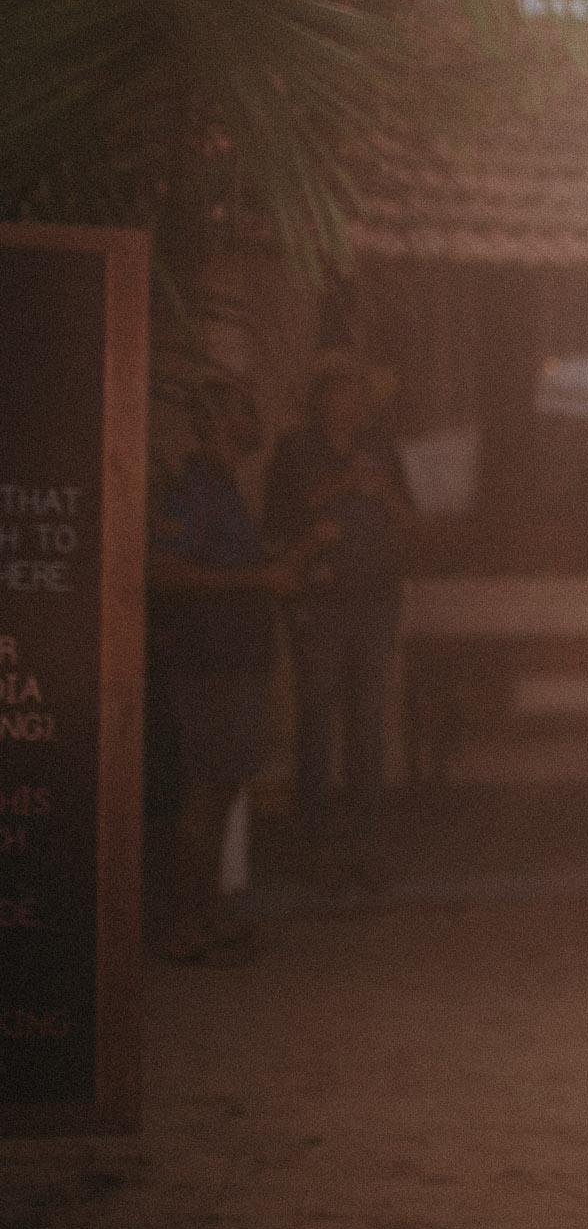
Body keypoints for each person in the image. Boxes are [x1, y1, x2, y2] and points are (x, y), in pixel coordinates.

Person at [146, 376, 318, 964]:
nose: (254, 419)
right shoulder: (194, 490)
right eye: (244, 411)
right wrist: (258, 580)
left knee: (221, 793)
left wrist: (284, 560)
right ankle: (180, 926)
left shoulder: (226, 489)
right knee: (204, 794)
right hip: (208, 662)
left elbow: (236, 566)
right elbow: (162, 569)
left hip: (236, 658)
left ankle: (204, 918)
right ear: (216, 420)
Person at [263, 355, 416, 892]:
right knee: (316, 720)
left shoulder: (381, 449)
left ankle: (365, 842)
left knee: (369, 723)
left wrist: (384, 493)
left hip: (375, 600)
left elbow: (409, 518)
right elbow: (277, 520)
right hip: (320, 603)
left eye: (356, 392)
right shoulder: (295, 449)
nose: (348, 401)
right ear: (320, 397)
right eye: (338, 390)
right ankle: (319, 843)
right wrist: (336, 486)